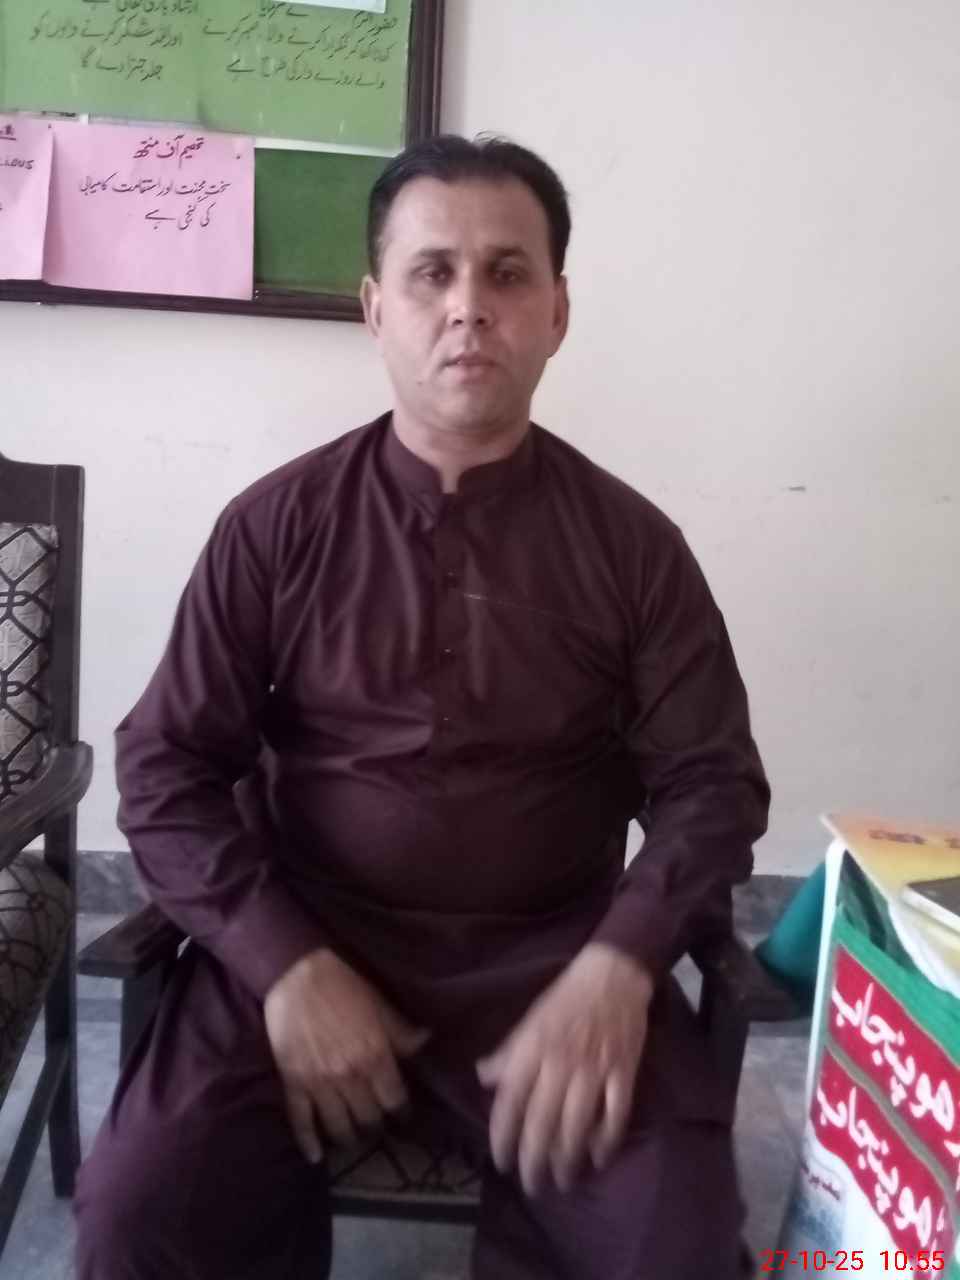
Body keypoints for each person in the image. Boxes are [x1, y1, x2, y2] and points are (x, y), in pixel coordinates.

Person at [74, 134, 770, 1280]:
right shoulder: (275, 527)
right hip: (311, 948)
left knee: (674, 1243)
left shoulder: (635, 548)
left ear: (557, 311)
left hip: (553, 965)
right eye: (432, 272)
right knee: (140, 1207)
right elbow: (166, 764)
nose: (468, 306)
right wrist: (281, 961)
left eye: (507, 273)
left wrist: (622, 962)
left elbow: (713, 784)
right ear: (374, 308)